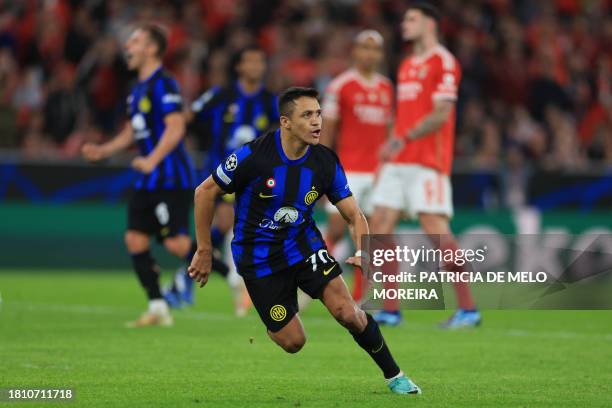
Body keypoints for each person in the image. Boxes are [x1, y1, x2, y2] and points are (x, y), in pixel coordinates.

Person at [188, 87, 421, 395]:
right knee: (293, 342)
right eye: (307, 115)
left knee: (348, 312)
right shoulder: (253, 155)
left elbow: (354, 215)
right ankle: (271, 317)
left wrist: (365, 251)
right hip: (258, 260)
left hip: (304, 247)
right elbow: (204, 192)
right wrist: (204, 249)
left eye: (319, 114)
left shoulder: (324, 162)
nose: (317, 122)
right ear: (285, 122)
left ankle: (396, 375)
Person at [371, 3, 481, 328]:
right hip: (398, 160)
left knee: (434, 227)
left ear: (430, 24)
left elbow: (441, 114)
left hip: (427, 161)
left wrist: (403, 139)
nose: (404, 24)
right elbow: (400, 115)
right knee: (378, 226)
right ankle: (391, 309)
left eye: (412, 19)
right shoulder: (406, 65)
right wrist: (389, 152)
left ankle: (468, 308)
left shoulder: (444, 61)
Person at [82, 24, 196, 327]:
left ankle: (237, 277)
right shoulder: (137, 91)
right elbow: (133, 131)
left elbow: (176, 126)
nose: (127, 46)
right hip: (148, 178)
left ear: (152, 49)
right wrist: (104, 151)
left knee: (176, 245)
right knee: (134, 238)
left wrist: (152, 159)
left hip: (170, 176)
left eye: (134, 41)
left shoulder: (165, 84)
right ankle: (158, 307)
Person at [165, 45, 279, 313]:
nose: (256, 66)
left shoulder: (269, 101)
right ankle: (228, 278)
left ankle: (185, 278)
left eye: (260, 61)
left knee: (230, 226)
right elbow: (188, 116)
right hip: (220, 171)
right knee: (226, 221)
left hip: (253, 174)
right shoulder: (220, 95)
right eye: (250, 61)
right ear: (239, 66)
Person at [320, 29, 393, 304]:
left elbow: (388, 133)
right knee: (337, 232)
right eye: (365, 47)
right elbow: (327, 133)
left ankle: (360, 298)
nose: (369, 53)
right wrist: (325, 172)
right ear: (355, 51)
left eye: (375, 49)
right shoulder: (340, 86)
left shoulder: (386, 87)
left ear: (381, 54)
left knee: (371, 238)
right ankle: (307, 280)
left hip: (378, 174)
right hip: (347, 171)